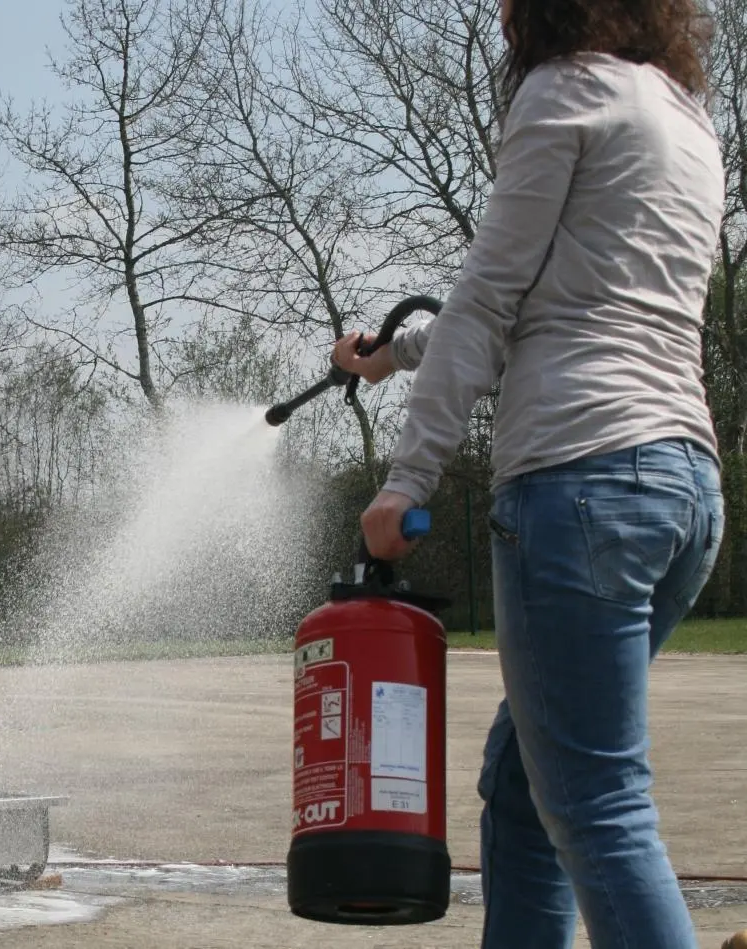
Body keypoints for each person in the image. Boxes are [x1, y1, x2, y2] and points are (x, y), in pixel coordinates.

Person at [330, 2, 728, 948]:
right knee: (524, 784)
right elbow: (563, 295)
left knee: (599, 806)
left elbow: (490, 296)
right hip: (683, 490)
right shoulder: (680, 115)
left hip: (579, 485)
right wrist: (390, 357)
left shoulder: (566, 90)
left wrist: (404, 482)